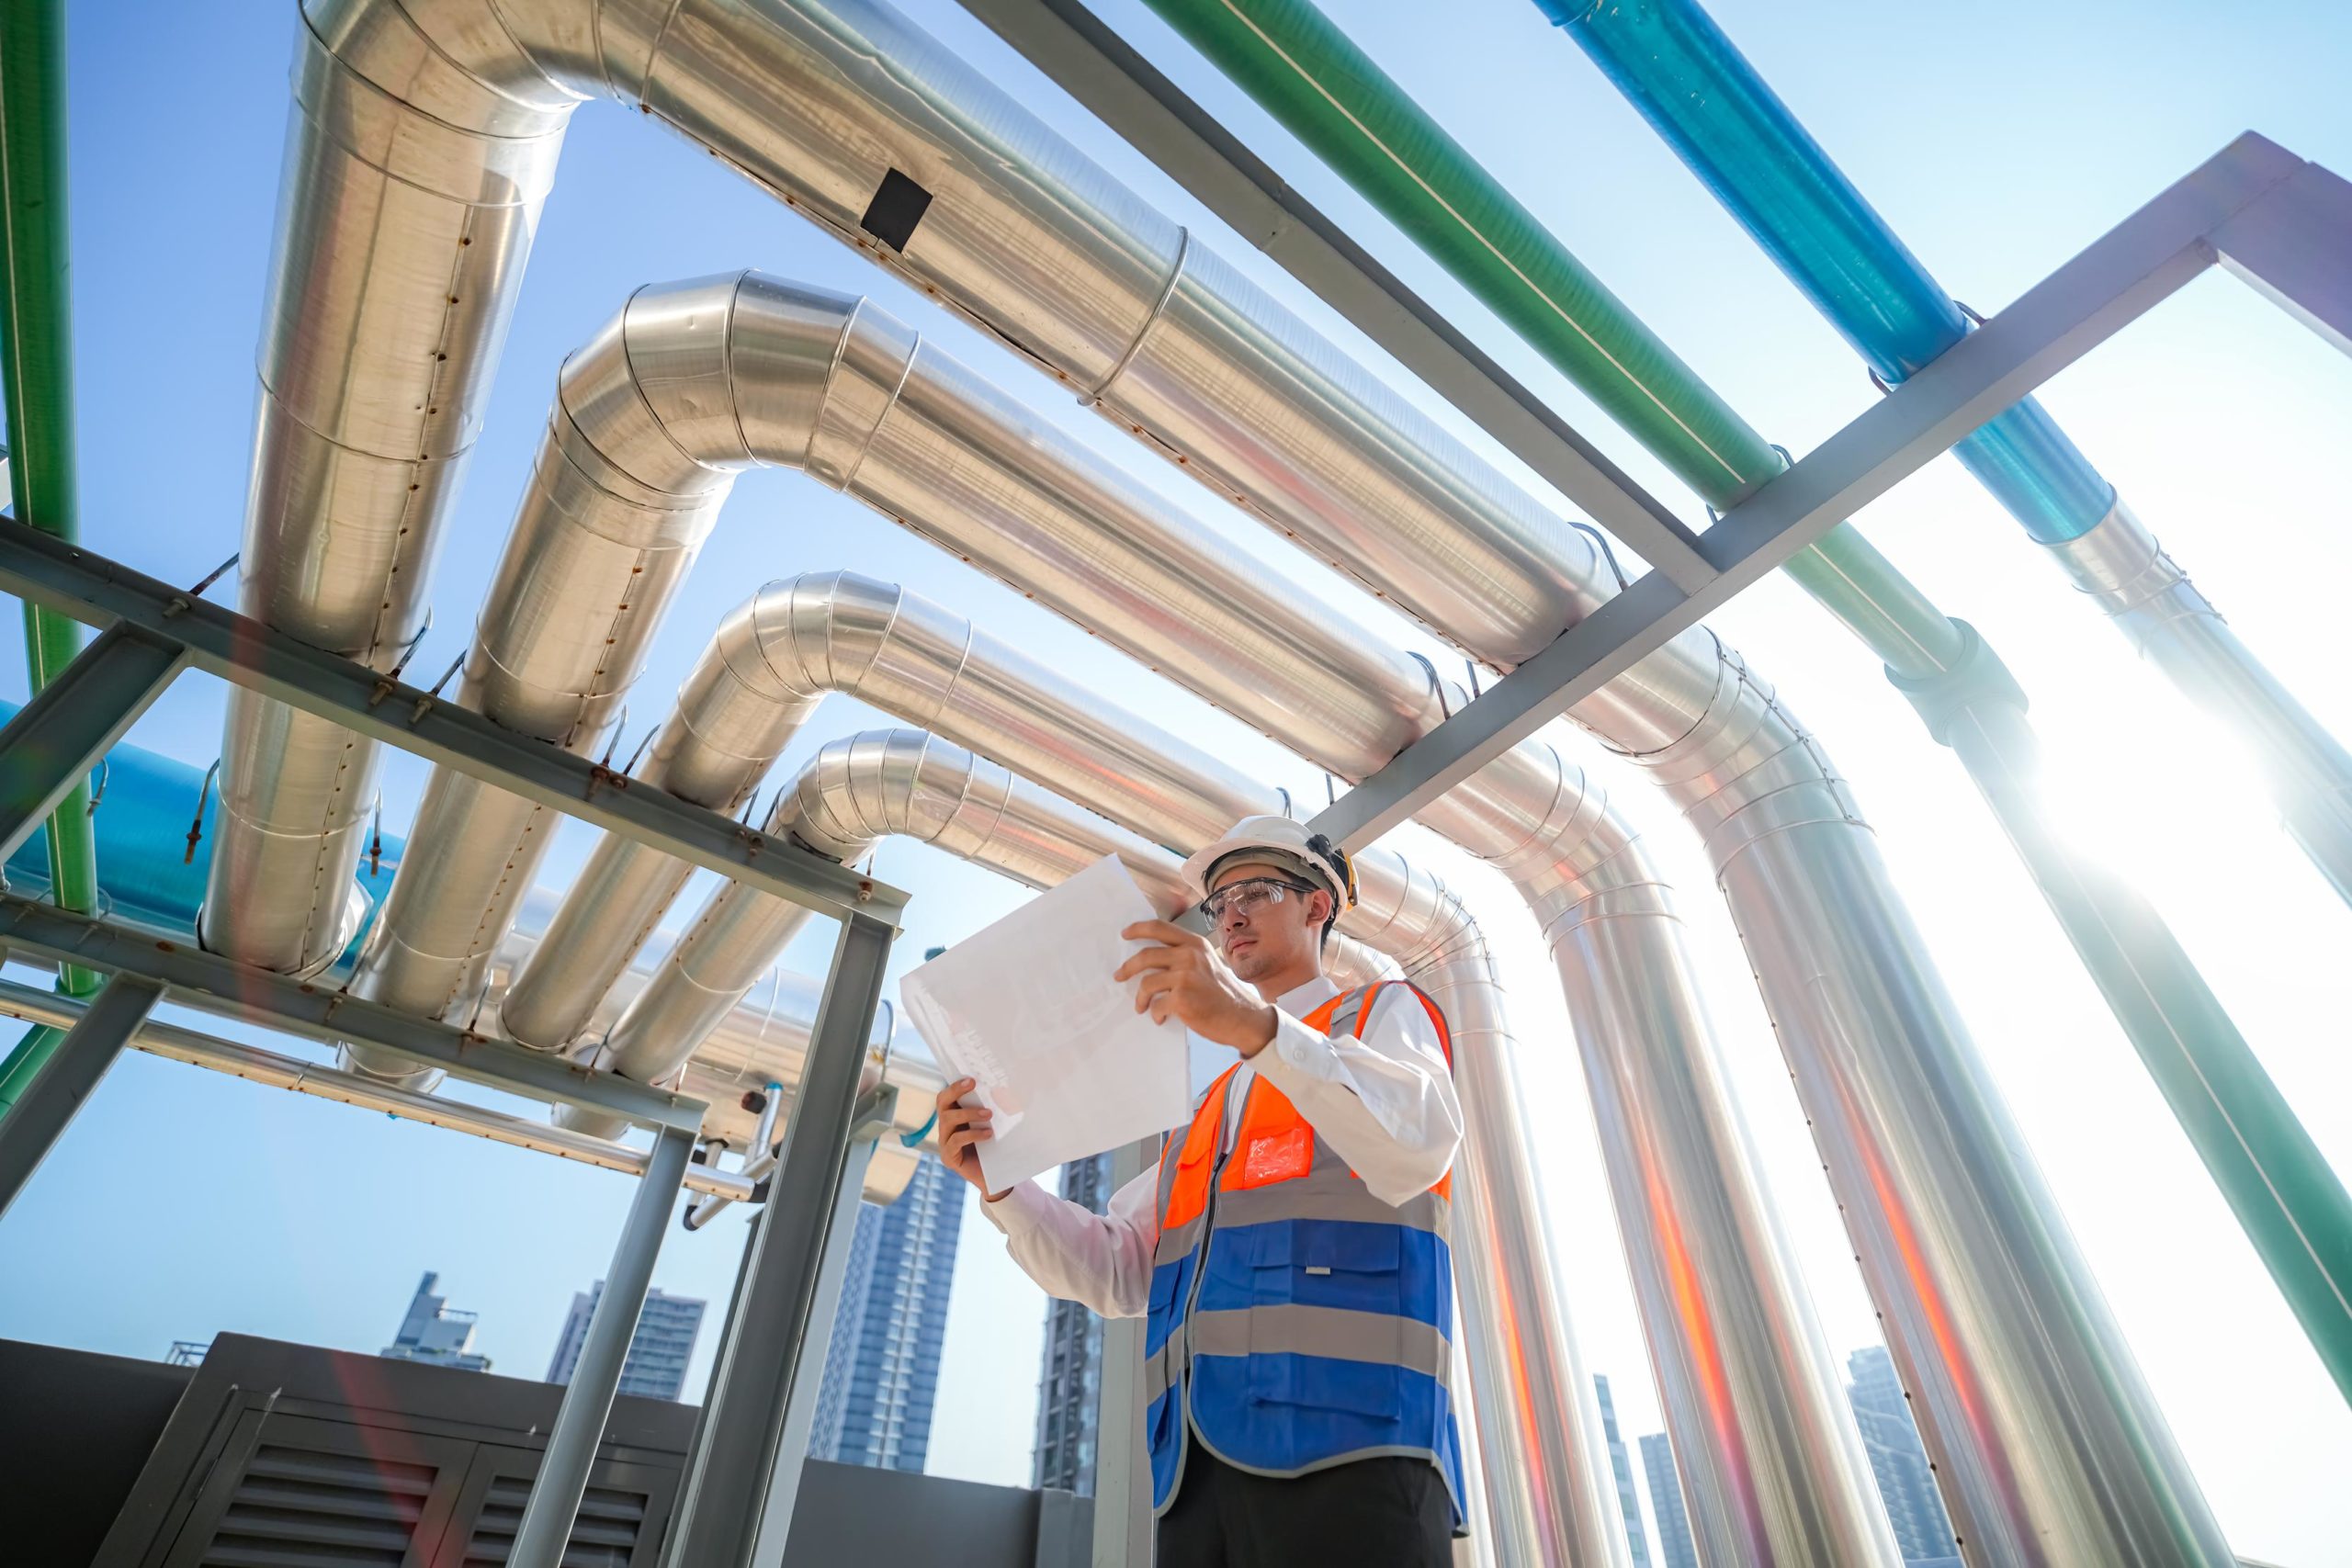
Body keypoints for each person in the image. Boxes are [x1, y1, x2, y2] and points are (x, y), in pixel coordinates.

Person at [933, 817, 1467, 1566]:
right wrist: (1005, 1189)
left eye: (1257, 890)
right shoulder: (1208, 1107)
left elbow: (1419, 1143)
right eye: (1220, 903)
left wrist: (1256, 1027)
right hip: (1197, 1477)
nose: (1233, 914)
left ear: (1318, 907)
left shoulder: (1378, 1014)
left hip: (1355, 1454)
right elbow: (1122, 1270)